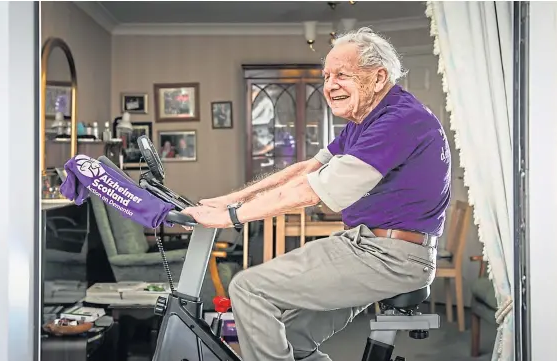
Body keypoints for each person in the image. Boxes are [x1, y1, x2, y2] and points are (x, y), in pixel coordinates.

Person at [182, 27, 451, 361]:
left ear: (379, 77)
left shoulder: (399, 120)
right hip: (366, 245)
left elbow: (312, 192)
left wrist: (230, 218)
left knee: (248, 288)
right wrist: (230, 201)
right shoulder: (364, 121)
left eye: (342, 75)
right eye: (326, 76)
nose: (329, 85)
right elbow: (306, 169)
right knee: (290, 342)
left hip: (389, 255)